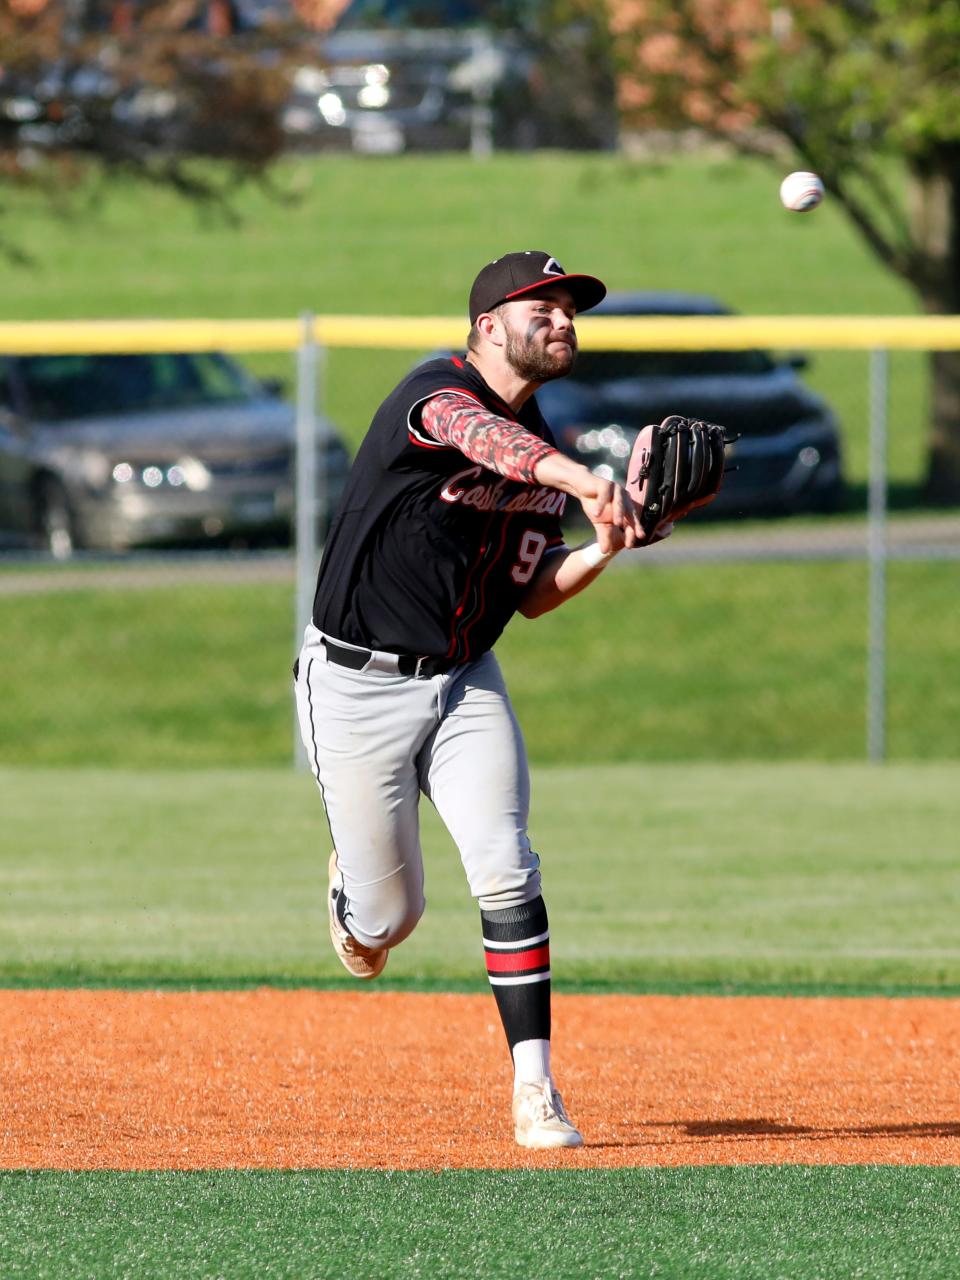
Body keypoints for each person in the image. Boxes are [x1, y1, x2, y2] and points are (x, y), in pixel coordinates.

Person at [294, 250, 662, 1150]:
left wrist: (607, 544)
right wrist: (578, 479)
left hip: (463, 679)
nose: (565, 321)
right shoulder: (435, 392)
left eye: (572, 310)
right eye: (546, 308)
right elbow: (485, 439)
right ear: (490, 324)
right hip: (354, 684)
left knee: (506, 864)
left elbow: (533, 596)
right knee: (390, 921)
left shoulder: (544, 457)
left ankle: (535, 1091)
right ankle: (353, 896)